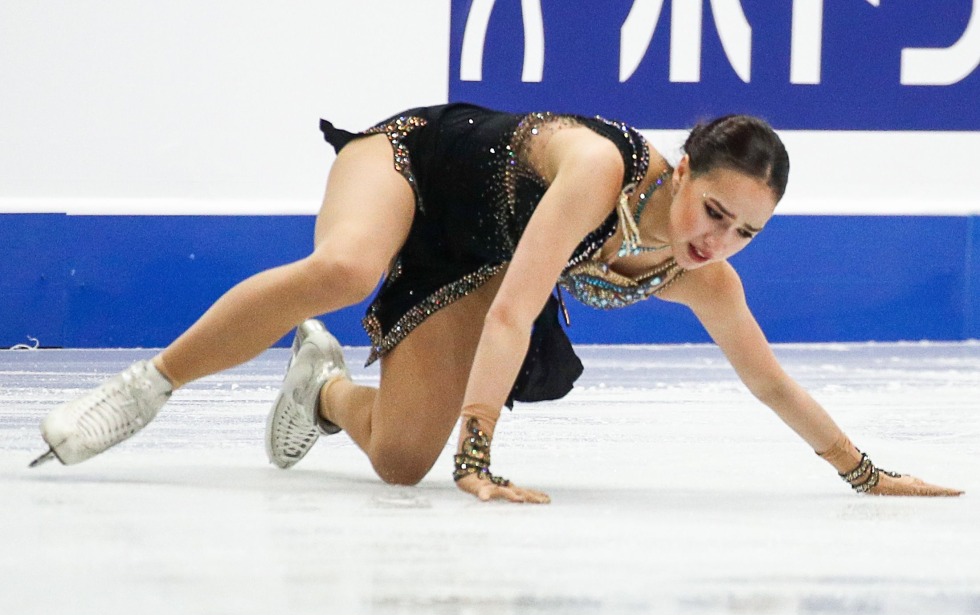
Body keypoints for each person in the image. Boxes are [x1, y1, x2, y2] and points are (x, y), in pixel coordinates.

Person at [31, 103, 961, 501]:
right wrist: (479, 458)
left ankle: (320, 389)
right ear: (681, 172)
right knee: (349, 268)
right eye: (714, 211)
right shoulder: (601, 171)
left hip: (475, 256)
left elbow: (769, 383)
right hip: (415, 164)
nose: (718, 241)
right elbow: (518, 308)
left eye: (746, 232)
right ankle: (147, 387)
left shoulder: (700, 271)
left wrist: (863, 472)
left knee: (399, 463)